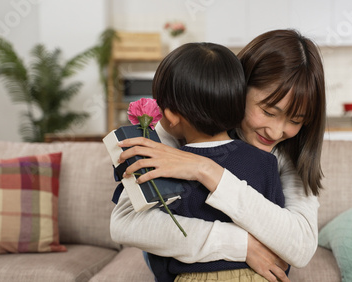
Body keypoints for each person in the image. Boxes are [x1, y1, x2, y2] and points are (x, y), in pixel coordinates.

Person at [110, 29, 326, 282]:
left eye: (295, 120)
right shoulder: (178, 124)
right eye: (268, 112)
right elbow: (125, 224)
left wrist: (207, 170)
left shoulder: (285, 154)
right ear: (237, 89)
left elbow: (300, 247)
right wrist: (240, 245)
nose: (277, 131)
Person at [139, 41, 286, 281]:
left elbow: (159, 252)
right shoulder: (266, 163)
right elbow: (278, 237)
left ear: (171, 116)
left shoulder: (165, 166)